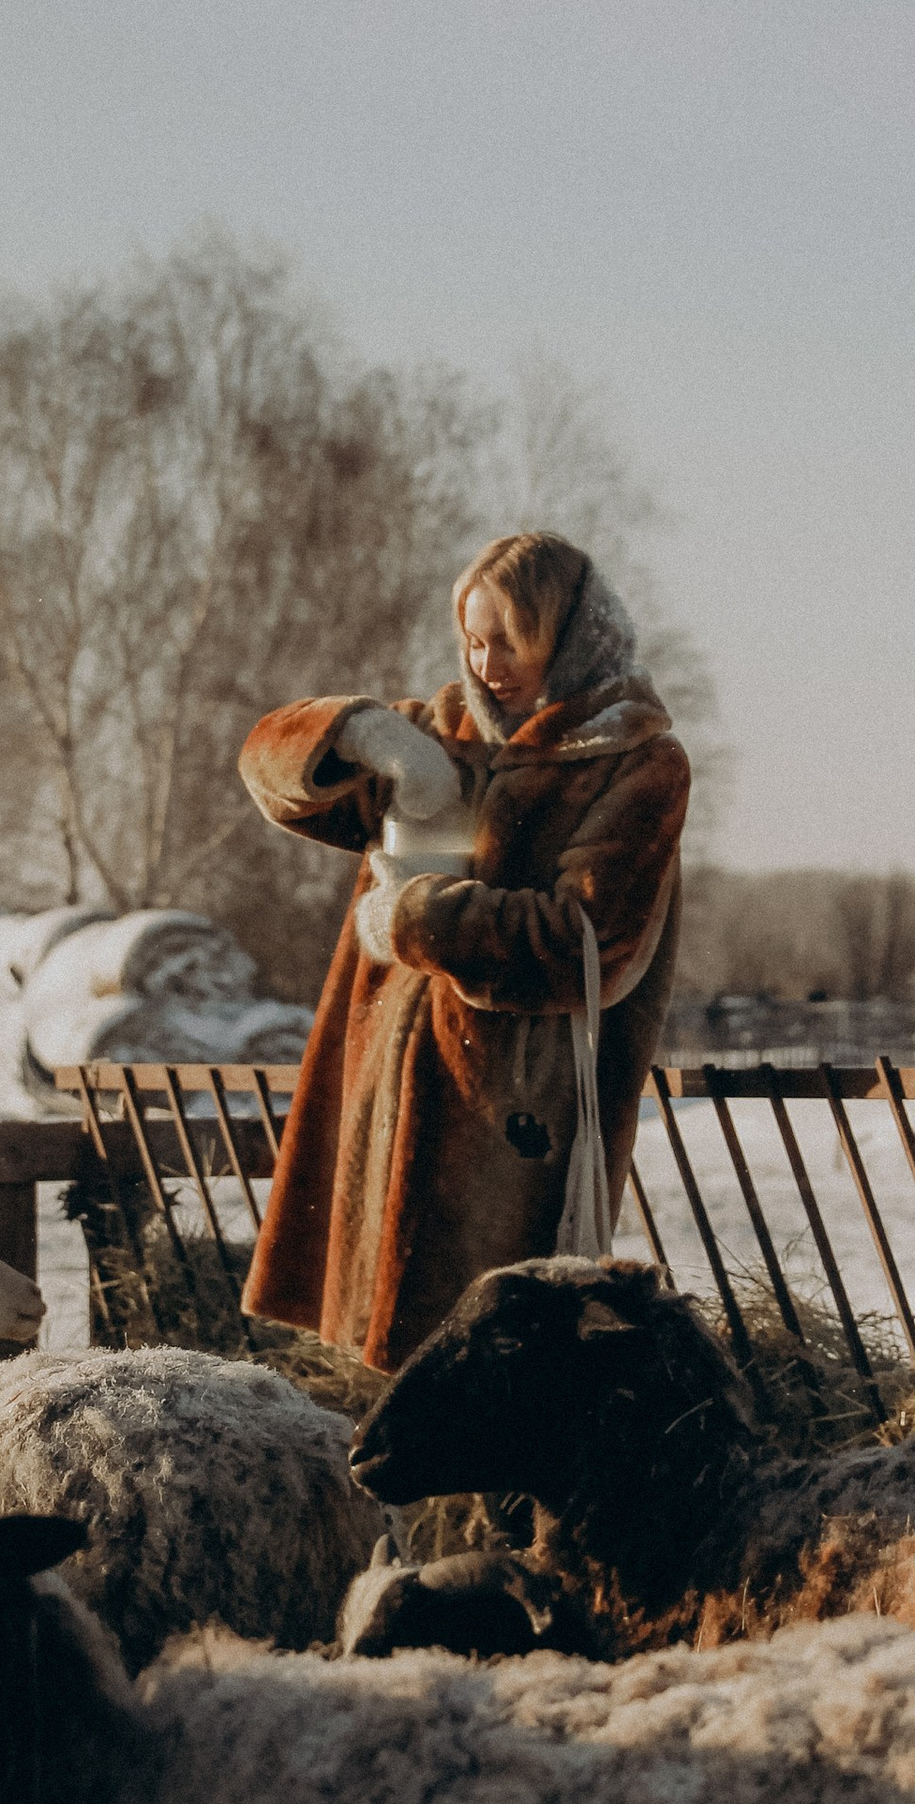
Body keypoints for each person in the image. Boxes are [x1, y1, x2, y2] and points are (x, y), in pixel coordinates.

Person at [236, 532, 689, 1369]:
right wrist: (366, 735)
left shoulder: (637, 762)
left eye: (509, 639)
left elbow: (586, 942)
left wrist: (417, 916)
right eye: (473, 641)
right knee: (382, 1376)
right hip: (383, 1097)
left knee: (493, 1377)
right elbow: (270, 769)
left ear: (567, 631)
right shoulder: (440, 732)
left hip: (509, 1124)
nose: (486, 665)